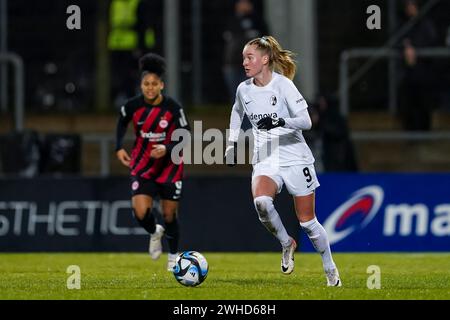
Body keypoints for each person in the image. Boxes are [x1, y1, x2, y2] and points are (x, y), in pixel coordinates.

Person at [224, 36, 341, 286]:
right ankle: (287, 243)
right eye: (244, 57)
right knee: (262, 203)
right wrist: (231, 144)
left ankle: (330, 268)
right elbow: (236, 113)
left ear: (265, 59)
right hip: (265, 158)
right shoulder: (243, 90)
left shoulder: (283, 86)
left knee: (308, 223)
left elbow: (306, 121)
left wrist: (279, 121)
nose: (244, 62)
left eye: (249, 57)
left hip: (295, 157)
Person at [115, 53, 190, 271]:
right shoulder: (132, 106)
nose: (149, 88)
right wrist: (118, 147)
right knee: (140, 212)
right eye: (146, 84)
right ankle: (154, 231)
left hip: (169, 166)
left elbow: (185, 133)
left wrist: (166, 148)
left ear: (161, 85)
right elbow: (121, 123)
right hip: (143, 165)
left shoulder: (173, 107)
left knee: (169, 214)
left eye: (154, 84)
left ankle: (174, 256)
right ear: (141, 85)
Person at [398, 0, 438, 131]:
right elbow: (398, 42)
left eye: (412, 5)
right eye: (407, 6)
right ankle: (411, 135)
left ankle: (424, 134)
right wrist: (405, 48)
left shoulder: (426, 25)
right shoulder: (403, 25)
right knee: (409, 106)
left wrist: (416, 50)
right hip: (408, 75)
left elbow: (431, 43)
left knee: (423, 105)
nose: (410, 9)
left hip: (424, 73)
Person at [222, 0, 268, 102]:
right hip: (232, 62)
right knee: (235, 95)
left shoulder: (257, 20)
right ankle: (238, 117)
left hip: (252, 64)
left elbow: (266, 39)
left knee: (251, 94)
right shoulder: (231, 20)